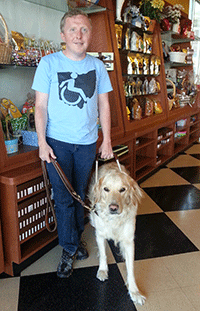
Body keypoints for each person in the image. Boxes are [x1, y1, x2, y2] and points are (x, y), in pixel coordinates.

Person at [32, 9, 113, 278]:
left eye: (84, 30)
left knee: (80, 194)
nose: (79, 35)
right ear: (63, 34)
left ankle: (76, 239)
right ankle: (68, 248)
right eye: (73, 30)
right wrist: (42, 142)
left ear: (90, 34)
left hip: (88, 143)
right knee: (64, 198)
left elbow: (103, 103)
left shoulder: (97, 66)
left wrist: (107, 140)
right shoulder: (49, 64)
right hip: (58, 143)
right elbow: (40, 106)